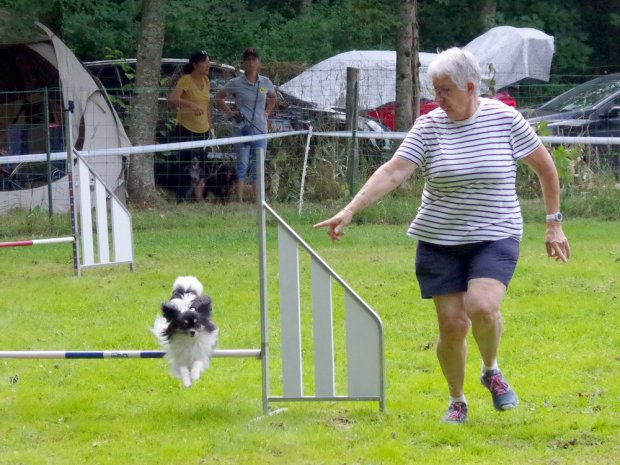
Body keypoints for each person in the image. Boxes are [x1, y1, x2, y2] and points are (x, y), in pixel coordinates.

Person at [314, 48, 570, 424]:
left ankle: (491, 370)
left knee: (482, 306)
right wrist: (349, 210)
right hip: (439, 238)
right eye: (435, 90)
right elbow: (393, 172)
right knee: (452, 325)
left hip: (494, 233)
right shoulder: (429, 126)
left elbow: (546, 169)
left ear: (470, 87)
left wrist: (553, 222)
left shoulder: (505, 119)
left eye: (446, 90)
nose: (439, 99)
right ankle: (457, 399)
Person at [215, 47, 276, 202]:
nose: (251, 63)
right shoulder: (235, 83)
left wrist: (267, 112)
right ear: (244, 63)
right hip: (241, 129)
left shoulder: (265, 82)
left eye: (254, 59)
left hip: (260, 128)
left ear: (259, 63)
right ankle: (240, 200)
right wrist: (229, 112)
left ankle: (258, 200)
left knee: (258, 165)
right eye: (248, 60)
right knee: (242, 164)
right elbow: (219, 97)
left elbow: (273, 97)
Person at [167, 50, 213, 201]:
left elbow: (207, 105)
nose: (208, 65)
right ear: (195, 64)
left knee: (203, 166)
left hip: (203, 129)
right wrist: (191, 105)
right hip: (186, 128)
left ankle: (199, 197)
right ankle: (182, 196)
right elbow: (172, 99)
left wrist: (210, 125)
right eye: (204, 62)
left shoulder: (206, 80)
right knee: (184, 165)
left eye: (208, 62)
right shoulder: (186, 80)